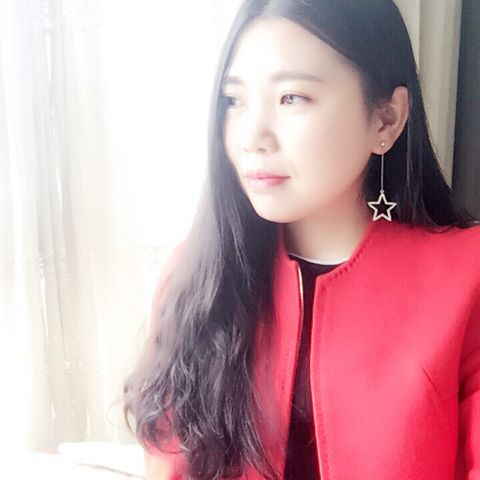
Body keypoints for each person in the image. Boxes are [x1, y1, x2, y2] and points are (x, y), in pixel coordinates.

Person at [122, 1, 480, 479]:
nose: (253, 137)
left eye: (292, 97)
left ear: (386, 119)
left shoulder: (466, 280)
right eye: (234, 101)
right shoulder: (198, 275)